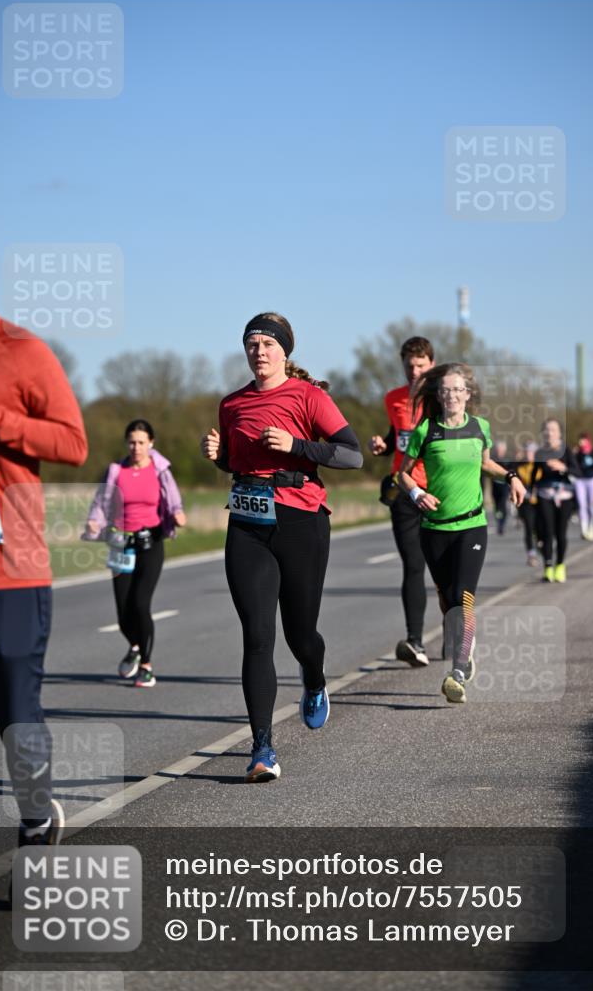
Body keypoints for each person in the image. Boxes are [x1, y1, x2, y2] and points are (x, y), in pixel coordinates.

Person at [200, 312, 362, 782]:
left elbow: (351, 454)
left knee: (300, 634)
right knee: (256, 636)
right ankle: (262, 748)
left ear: (285, 352)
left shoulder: (310, 397)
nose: (260, 351)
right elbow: (238, 462)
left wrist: (296, 445)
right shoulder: (231, 405)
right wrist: (220, 458)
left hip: (300, 520)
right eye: (252, 344)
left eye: (269, 344)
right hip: (248, 523)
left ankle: (314, 677)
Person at [0, 236, 88, 849]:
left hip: (6, 569)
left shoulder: (20, 351)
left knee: (14, 710)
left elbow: (73, 444)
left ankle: (37, 814)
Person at [398, 363, 525, 704]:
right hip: (434, 529)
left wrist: (511, 476)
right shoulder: (426, 431)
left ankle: (457, 670)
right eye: (446, 390)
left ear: (467, 395)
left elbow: (485, 463)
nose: (452, 395)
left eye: (458, 390)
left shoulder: (480, 427)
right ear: (438, 396)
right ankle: (463, 646)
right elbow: (403, 475)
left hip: (472, 525)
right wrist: (417, 494)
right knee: (447, 598)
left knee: (464, 595)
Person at [84, 420, 186, 687]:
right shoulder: (117, 470)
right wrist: (94, 520)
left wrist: (177, 513)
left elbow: (172, 496)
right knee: (122, 612)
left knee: (140, 604)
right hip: (121, 544)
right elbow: (101, 501)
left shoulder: (159, 469)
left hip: (150, 543)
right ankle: (135, 646)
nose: (136, 447)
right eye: (132, 442)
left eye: (141, 442)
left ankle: (146, 666)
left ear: (150, 443)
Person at [368, 336, 435, 667]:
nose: (414, 371)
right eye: (409, 365)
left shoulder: (443, 398)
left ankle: (458, 634)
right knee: (413, 565)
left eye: (421, 365)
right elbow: (399, 435)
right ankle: (415, 641)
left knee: (446, 571)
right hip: (405, 491)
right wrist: (383, 443)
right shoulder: (393, 398)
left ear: (431, 365)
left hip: (440, 493)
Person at [532, 419, 581, 582]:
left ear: (559, 433)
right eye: (546, 430)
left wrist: (563, 468)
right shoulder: (540, 452)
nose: (549, 433)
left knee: (560, 533)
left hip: (564, 496)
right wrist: (530, 490)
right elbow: (534, 473)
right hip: (545, 494)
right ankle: (547, 567)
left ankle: (560, 565)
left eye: (553, 430)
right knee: (547, 531)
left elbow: (578, 472)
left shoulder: (566, 450)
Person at [516, 442, 540, 565]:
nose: (528, 454)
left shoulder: (541, 466)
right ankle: (531, 554)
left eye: (531, 452)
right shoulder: (520, 467)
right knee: (529, 528)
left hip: (540, 502)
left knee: (540, 528)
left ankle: (542, 545)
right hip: (527, 503)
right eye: (527, 452)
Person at [574, 433, 593, 540]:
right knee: (581, 504)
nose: (581, 442)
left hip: (591, 480)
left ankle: (592, 526)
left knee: (592, 504)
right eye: (580, 440)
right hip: (580, 480)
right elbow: (574, 465)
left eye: (583, 440)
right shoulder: (578, 453)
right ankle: (584, 530)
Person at [489, 439, 511, 535]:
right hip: (495, 486)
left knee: (502, 505)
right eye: (498, 449)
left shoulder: (508, 459)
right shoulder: (493, 459)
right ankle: (498, 522)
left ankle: (502, 524)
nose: (500, 451)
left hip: (505, 487)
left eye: (501, 449)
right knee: (497, 506)